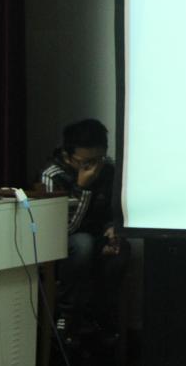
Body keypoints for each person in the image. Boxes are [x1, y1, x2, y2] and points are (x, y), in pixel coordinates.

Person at [41, 118, 129, 346]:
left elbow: (111, 212)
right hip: (63, 244)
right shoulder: (52, 176)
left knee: (121, 250)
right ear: (67, 155)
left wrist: (112, 229)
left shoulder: (107, 170)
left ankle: (101, 315)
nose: (95, 168)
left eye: (99, 159)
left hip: (96, 239)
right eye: (87, 162)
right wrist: (82, 188)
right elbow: (61, 229)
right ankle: (67, 316)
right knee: (82, 244)